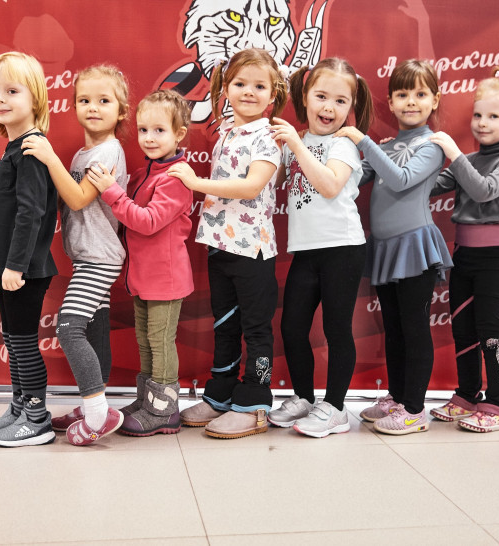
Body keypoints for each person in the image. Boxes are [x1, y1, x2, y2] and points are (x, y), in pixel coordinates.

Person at [167, 48, 288, 439]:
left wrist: (195, 183)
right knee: (224, 324)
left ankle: (254, 402)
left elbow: (252, 186)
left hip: (252, 250)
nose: (248, 92)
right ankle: (220, 393)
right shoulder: (227, 131)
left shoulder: (268, 138)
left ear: (273, 95)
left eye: (259, 86)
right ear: (225, 89)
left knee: (255, 328)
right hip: (219, 244)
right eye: (240, 83)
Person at [335, 59, 453, 435]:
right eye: (402, 94)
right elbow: (355, 177)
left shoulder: (432, 145)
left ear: (435, 100)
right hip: (385, 247)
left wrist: (364, 142)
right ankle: (398, 397)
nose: (411, 101)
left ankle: (414, 409)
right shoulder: (390, 145)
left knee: (414, 328)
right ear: (390, 101)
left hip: (415, 245)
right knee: (395, 328)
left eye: (420, 94)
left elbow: (401, 179)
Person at [428, 65, 499, 432]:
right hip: (463, 257)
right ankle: (467, 395)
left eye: (493, 116)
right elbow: (431, 186)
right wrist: (404, 159)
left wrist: (453, 153)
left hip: (496, 261)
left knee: (491, 335)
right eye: (478, 115)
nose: (482, 123)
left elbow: (483, 190)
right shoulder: (471, 159)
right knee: (463, 332)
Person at [20, 64, 129, 446]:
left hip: (99, 257)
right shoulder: (85, 153)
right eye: (84, 100)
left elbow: (80, 198)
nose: (93, 107)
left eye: (104, 101)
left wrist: (50, 159)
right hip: (88, 255)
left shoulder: (109, 151)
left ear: (121, 111)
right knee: (95, 328)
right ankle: (93, 403)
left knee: (69, 327)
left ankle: (98, 414)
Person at [266, 58, 374, 438]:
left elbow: (329, 185)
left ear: (351, 107)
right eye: (321, 96)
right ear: (305, 97)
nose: (329, 107)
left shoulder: (343, 144)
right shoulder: (297, 140)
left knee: (336, 329)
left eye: (340, 101)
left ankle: (336, 408)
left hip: (342, 248)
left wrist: (296, 145)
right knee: (292, 326)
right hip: (306, 250)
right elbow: (274, 180)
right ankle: (303, 398)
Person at [87, 89, 194, 436]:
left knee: (160, 342)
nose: (149, 137)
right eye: (144, 129)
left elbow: (147, 222)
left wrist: (112, 191)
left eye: (159, 130)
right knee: (147, 341)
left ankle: (165, 410)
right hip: (143, 278)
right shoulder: (143, 172)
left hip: (165, 280)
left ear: (179, 134)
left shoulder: (176, 177)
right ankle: (148, 401)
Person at [0, 52, 58, 447]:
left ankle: (37, 419)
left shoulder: (31, 149)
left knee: (23, 341)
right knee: (12, 339)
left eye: (11, 91)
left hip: (26, 269)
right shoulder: (14, 146)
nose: (0, 99)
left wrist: (15, 265)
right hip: (11, 266)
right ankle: (19, 408)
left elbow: (31, 214)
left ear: (35, 97)